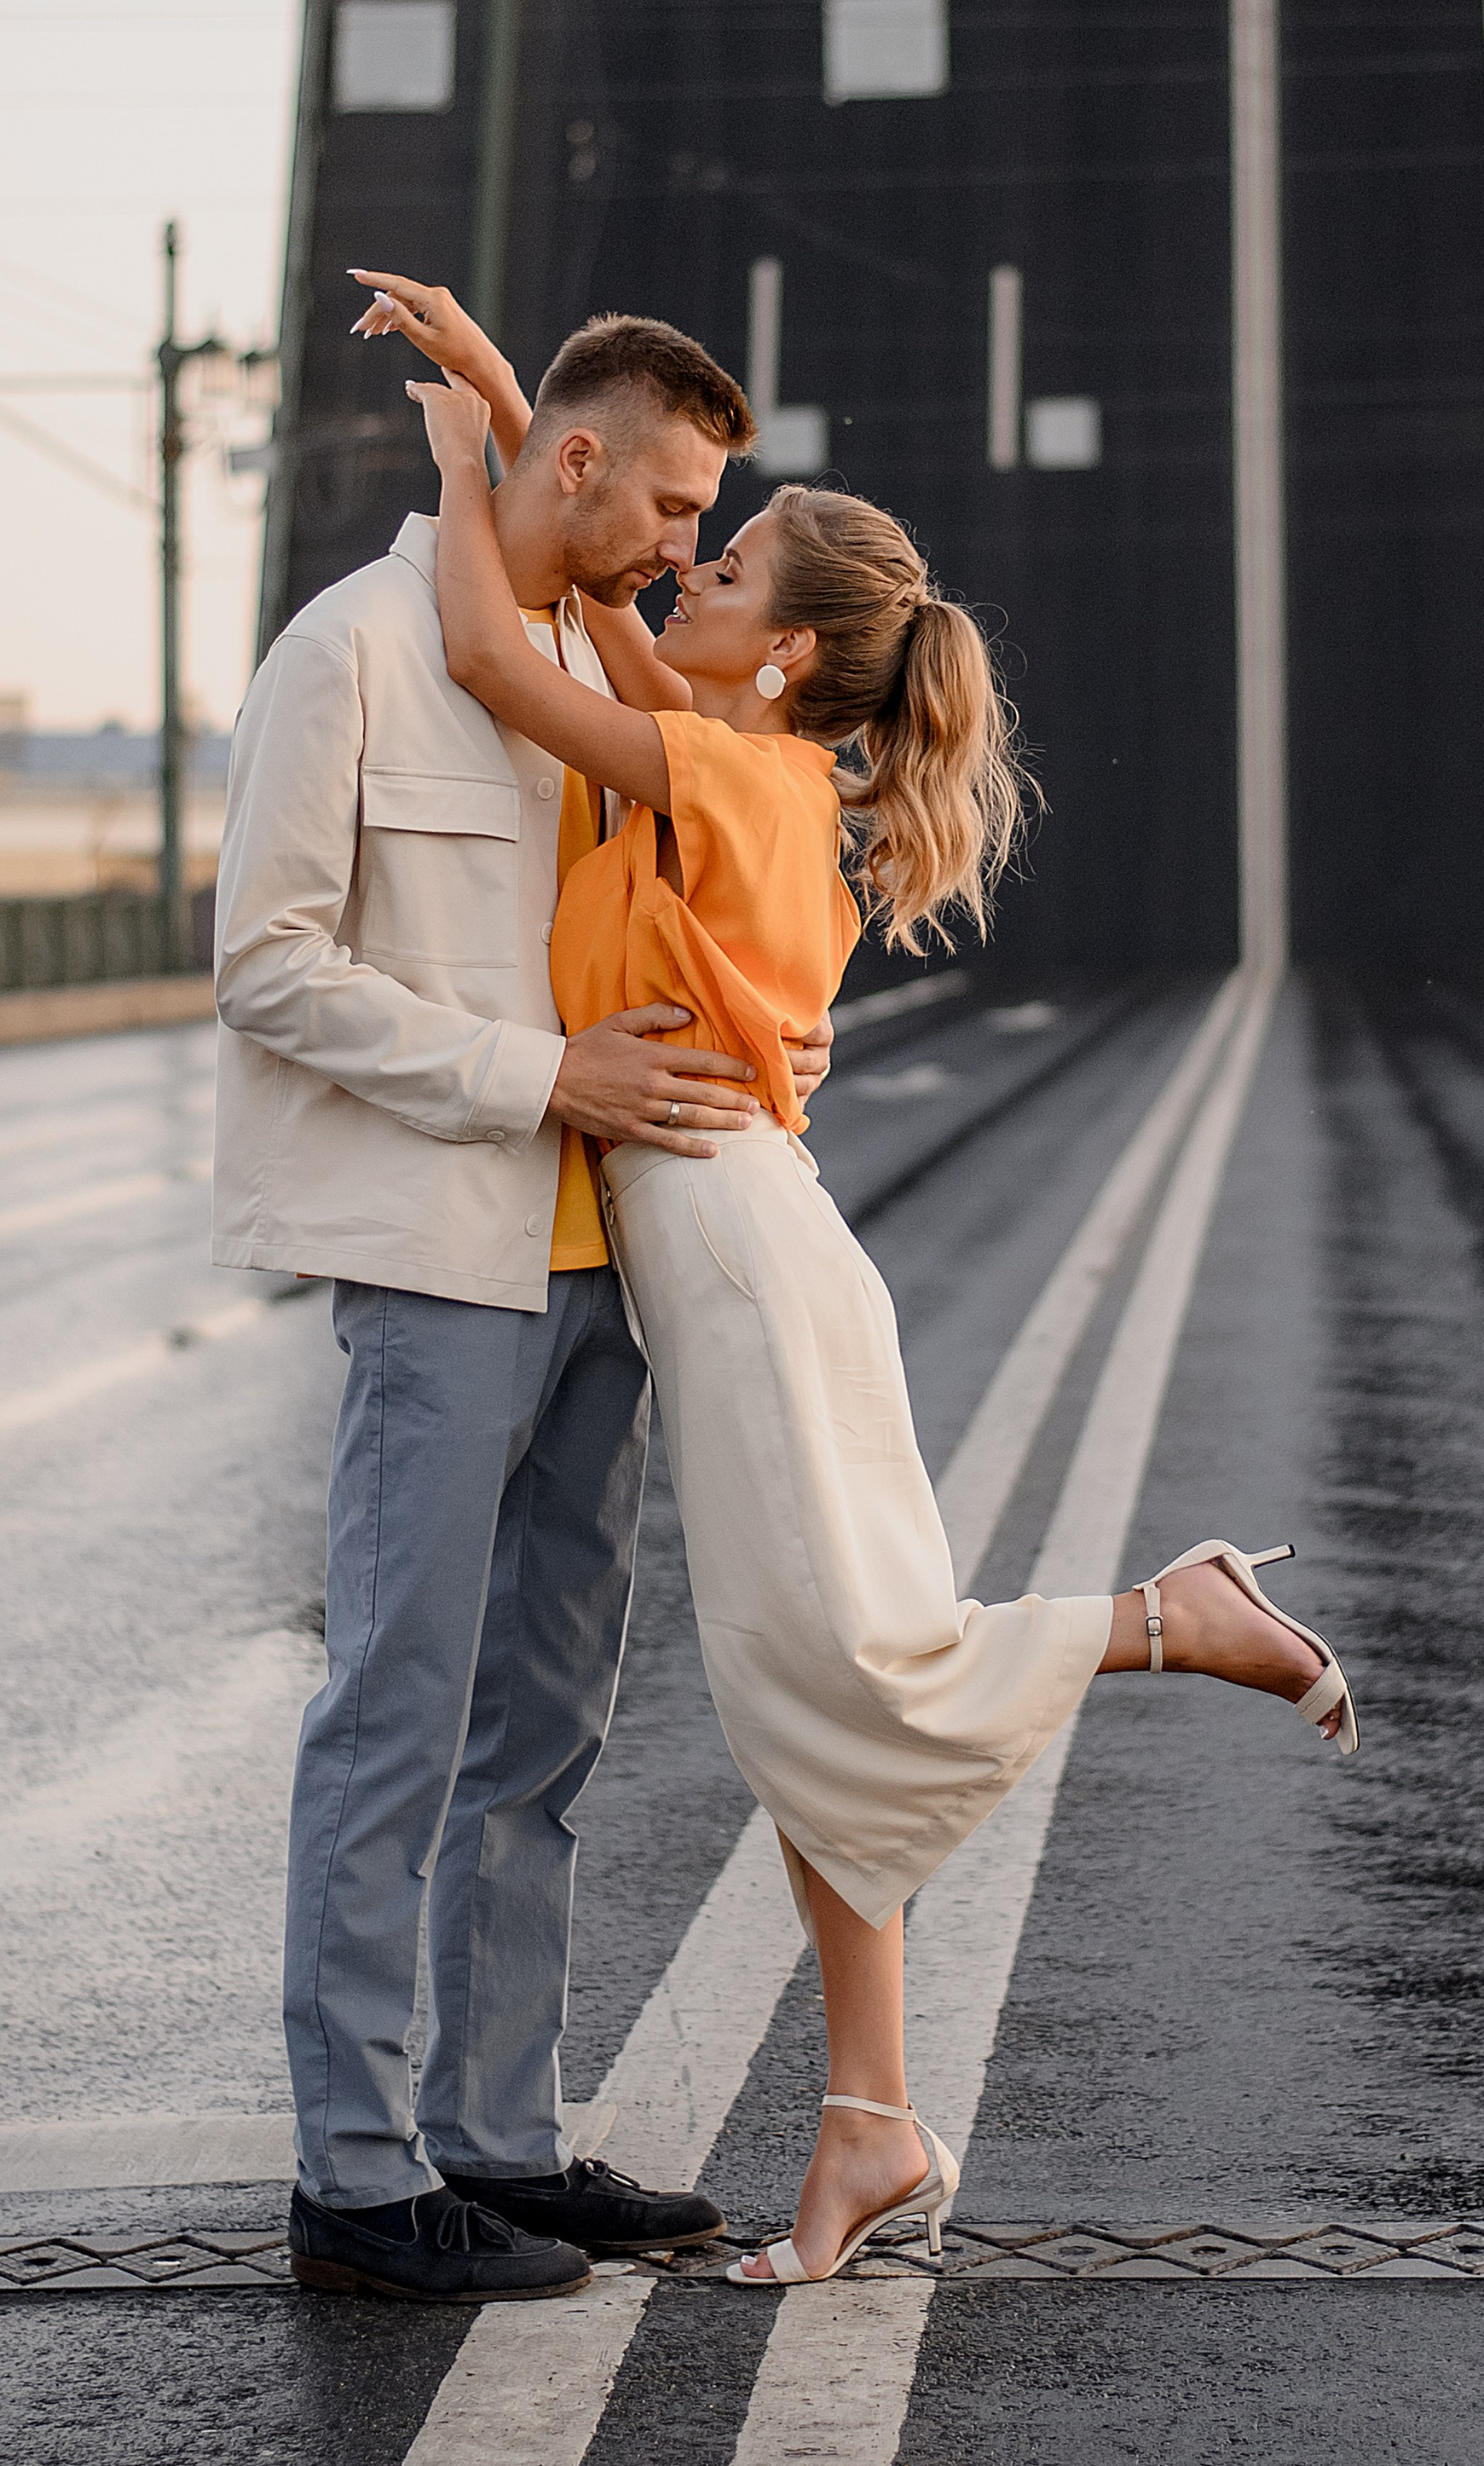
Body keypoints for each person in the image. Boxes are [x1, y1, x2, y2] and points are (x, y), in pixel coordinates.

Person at [390, 297, 1360, 2294]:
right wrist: (509, 397)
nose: (690, 563)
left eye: (730, 563)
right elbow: (605, 611)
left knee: (849, 1671)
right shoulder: (733, 755)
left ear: (789, 653)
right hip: (746, 1244)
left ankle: (1170, 1616)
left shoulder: (737, 780)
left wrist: (448, 464)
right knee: (806, 1700)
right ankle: (869, 2120)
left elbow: (495, 649)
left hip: (741, 1258)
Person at [212, 294, 834, 2304]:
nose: (682, 543)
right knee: (397, 1709)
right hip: (443, 1261)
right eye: (668, 504)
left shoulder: (587, 656)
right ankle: (352, 2172)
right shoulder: (351, 651)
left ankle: (494, 2135)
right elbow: (265, 966)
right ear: (575, 462)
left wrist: (753, 1042)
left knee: (545, 1732)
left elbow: (711, 896)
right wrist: (535, 1076)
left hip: (609, 1271)